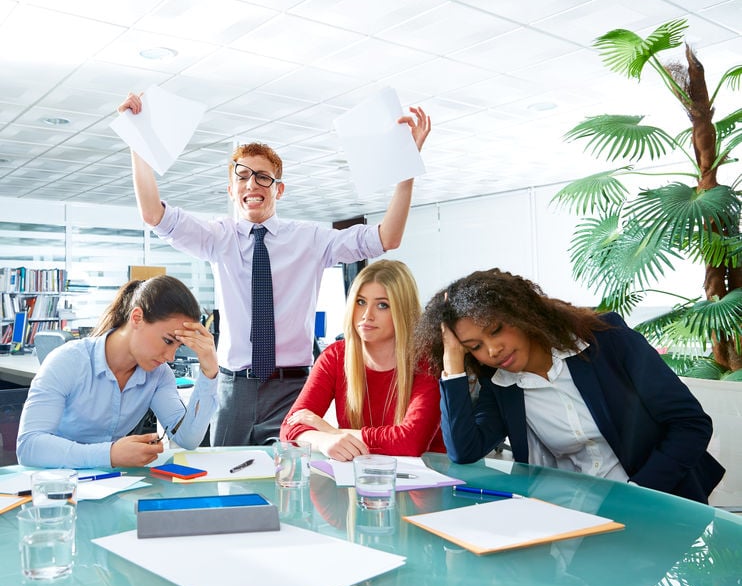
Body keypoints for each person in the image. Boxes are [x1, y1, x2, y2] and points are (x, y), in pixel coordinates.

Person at [117, 93, 431, 447]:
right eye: (243, 177)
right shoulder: (218, 238)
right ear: (232, 189)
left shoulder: (310, 240)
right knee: (228, 483)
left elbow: (387, 236)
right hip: (235, 387)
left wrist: (406, 169)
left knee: (289, 484)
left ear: (278, 189)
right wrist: (138, 142)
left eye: (263, 178)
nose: (252, 184)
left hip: (293, 388)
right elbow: (153, 215)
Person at [414, 268, 725, 503]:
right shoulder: (500, 383)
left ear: (521, 314)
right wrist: (453, 363)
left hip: (659, 504)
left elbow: (690, 425)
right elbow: (464, 451)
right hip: (574, 515)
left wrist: (637, 496)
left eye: (495, 330)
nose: (492, 350)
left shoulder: (607, 341)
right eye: (475, 346)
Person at [17, 275, 218, 469]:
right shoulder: (67, 361)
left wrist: (209, 372)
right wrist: (110, 454)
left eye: (178, 346)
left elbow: (187, 439)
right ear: (137, 318)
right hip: (57, 486)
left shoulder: (159, 375)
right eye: (167, 341)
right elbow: (29, 446)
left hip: (113, 484)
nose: (171, 357)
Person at [281, 259, 445, 460]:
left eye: (382, 305)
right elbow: (289, 428)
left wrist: (331, 431)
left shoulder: (427, 362)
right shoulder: (335, 356)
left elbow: (411, 441)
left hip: (427, 479)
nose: (367, 315)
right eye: (360, 302)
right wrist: (323, 441)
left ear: (403, 311)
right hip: (362, 474)